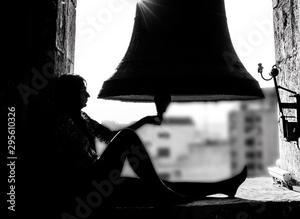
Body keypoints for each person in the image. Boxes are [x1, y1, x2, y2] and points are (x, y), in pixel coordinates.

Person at [50, 74, 247, 216]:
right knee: (129, 140)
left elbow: (109, 137)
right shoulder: (59, 125)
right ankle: (162, 194)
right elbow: (58, 170)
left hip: (100, 180)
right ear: (70, 95)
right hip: (85, 187)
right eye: (83, 92)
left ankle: (224, 185)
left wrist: (144, 121)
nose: (88, 96)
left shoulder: (83, 118)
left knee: (160, 184)